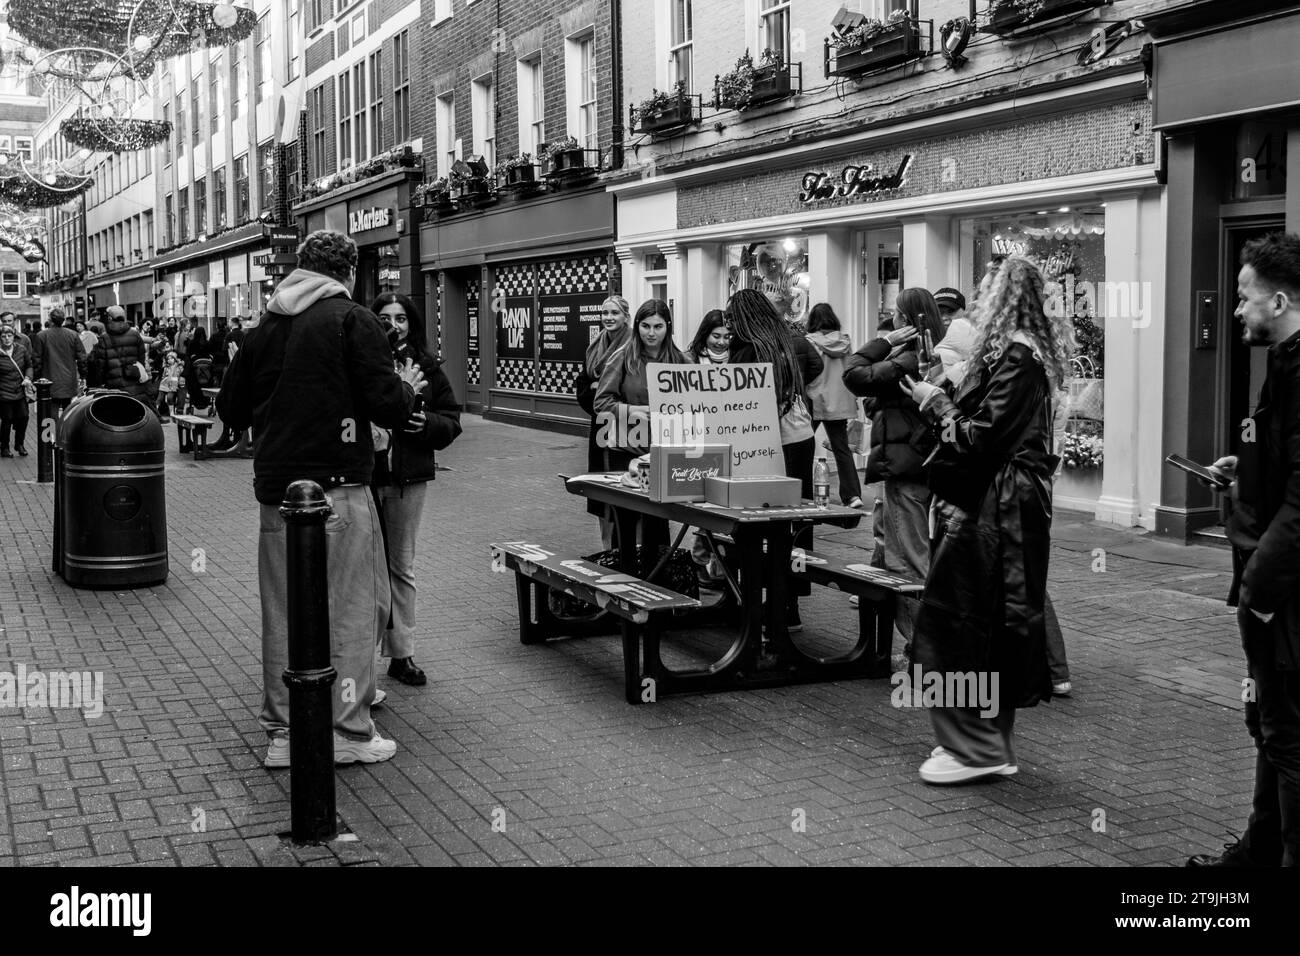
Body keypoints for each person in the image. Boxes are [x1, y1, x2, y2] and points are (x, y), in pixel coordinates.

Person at [216, 229, 424, 768]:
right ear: (348, 273)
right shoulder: (353, 320)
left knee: (283, 611)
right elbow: (387, 400)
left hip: (276, 496)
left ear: (298, 270)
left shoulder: (264, 326)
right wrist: (408, 396)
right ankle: (347, 729)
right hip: (339, 489)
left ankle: (285, 732)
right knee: (351, 610)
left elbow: (232, 409)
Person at [898, 256, 1071, 785]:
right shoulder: (1028, 354)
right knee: (985, 622)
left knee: (959, 621)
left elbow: (982, 437)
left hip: (996, 507)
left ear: (1000, 298)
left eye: (986, 293)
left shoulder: (1018, 356)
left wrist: (935, 405)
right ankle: (981, 743)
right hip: (1007, 504)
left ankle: (975, 747)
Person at [1188, 233, 1300, 867]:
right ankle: (1257, 854)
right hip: (1271, 589)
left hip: (1282, 594)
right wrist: (1247, 470)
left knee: (1285, 732)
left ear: (1278, 301)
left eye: (1243, 298)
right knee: (1270, 726)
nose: (1234, 310)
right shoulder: (1280, 366)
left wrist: (1258, 590)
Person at [842, 288, 946, 663]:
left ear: (907, 320)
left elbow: (853, 373)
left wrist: (883, 341)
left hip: (907, 467)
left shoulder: (910, 357)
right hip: (911, 463)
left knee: (908, 561)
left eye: (896, 314)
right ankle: (898, 647)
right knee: (892, 552)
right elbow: (873, 394)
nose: (892, 318)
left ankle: (925, 652)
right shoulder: (928, 354)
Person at [370, 293, 463, 688]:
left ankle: (402, 652)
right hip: (366, 479)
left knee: (400, 567)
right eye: (386, 317)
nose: (395, 324)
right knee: (365, 570)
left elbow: (452, 421)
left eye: (402, 318)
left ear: (413, 324)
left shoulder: (427, 366)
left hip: (409, 480)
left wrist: (426, 426)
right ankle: (360, 658)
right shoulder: (365, 364)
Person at [724, 289, 823, 630]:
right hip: (800, 436)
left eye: (731, 319)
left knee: (757, 520)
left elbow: (733, 398)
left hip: (767, 441)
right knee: (793, 523)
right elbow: (814, 367)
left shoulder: (749, 349)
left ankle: (759, 601)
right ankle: (789, 602)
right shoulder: (785, 339)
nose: (729, 325)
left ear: (744, 319)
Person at [594, 298, 691, 473]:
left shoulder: (682, 361)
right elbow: (600, 403)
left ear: (668, 327)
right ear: (637, 326)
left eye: (658, 326)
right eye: (646, 326)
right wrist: (631, 410)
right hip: (627, 449)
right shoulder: (622, 357)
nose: (651, 333)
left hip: (670, 448)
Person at [576, 295, 632, 549]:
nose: (609, 317)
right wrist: (597, 391)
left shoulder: (633, 345)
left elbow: (627, 388)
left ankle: (630, 547)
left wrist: (601, 387)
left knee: (625, 484)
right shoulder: (594, 346)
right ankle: (607, 547)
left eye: (615, 313)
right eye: (605, 312)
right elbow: (582, 385)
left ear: (625, 317)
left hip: (628, 427)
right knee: (602, 486)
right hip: (600, 427)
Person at [805, 303, 864, 509]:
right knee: (842, 449)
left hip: (814, 398)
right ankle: (852, 495)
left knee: (803, 445)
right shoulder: (845, 342)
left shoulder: (810, 342)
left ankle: (802, 490)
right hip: (839, 401)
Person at [88, 306, 152, 406]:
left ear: (109, 318)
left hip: (113, 384)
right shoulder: (135, 334)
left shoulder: (104, 338)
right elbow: (141, 358)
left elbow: (100, 364)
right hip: (134, 381)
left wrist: (100, 383)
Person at [31, 308, 88, 418]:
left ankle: (52, 434)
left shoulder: (42, 335)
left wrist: (36, 379)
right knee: (68, 411)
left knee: (51, 412)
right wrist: (83, 375)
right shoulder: (73, 335)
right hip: (69, 380)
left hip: (49, 380)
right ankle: (63, 433)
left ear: (50, 320)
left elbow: (36, 360)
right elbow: (82, 358)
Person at [0, 324, 32, 457]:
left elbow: (29, 365)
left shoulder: (21, 349)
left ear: (14, 336)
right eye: (3, 336)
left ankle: (19, 444)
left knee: (24, 417)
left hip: (20, 390)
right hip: (4, 392)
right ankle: (5, 447)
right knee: (6, 420)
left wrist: (28, 377)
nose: (7, 339)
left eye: (9, 336)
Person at [156, 349, 183, 422]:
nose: (169, 360)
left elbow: (181, 374)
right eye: (168, 359)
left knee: (169, 397)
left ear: (175, 359)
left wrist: (180, 364)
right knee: (159, 398)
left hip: (173, 384)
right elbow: (163, 375)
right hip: (164, 383)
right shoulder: (166, 367)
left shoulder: (178, 367)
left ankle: (171, 411)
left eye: (171, 358)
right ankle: (155, 412)